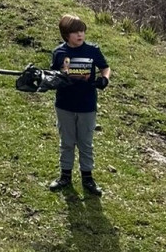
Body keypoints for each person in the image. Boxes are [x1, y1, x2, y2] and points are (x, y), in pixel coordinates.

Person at [48, 13, 111, 196]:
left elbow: (105, 68)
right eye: (75, 32)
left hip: (87, 105)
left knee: (85, 142)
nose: (80, 35)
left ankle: (88, 178)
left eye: (82, 31)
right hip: (65, 104)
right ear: (66, 34)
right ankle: (65, 176)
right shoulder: (59, 53)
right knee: (67, 142)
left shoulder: (93, 50)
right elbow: (53, 76)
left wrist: (104, 79)